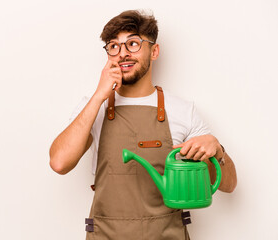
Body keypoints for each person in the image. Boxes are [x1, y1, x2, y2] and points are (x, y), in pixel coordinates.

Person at [49, 10, 237, 240]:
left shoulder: (181, 111)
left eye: (133, 44)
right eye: (114, 46)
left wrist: (217, 150)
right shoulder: (92, 108)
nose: (123, 54)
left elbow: (229, 185)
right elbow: (59, 163)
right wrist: (99, 95)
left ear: (154, 51)